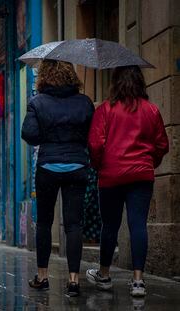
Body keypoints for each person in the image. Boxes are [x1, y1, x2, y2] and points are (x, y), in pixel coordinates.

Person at [86, 66, 169, 297]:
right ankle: (138, 281)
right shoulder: (151, 110)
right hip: (141, 176)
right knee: (138, 225)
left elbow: (94, 144)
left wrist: (98, 165)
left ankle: (104, 274)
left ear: (116, 83)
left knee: (109, 225)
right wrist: (149, 162)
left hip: (111, 176)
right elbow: (162, 144)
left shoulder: (105, 110)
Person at [21, 60, 94, 297]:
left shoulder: (38, 102)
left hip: (48, 168)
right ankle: (73, 280)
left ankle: (42, 277)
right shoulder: (84, 102)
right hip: (77, 166)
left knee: (44, 222)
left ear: (45, 77)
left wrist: (47, 133)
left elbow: (29, 134)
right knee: (74, 224)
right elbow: (92, 135)